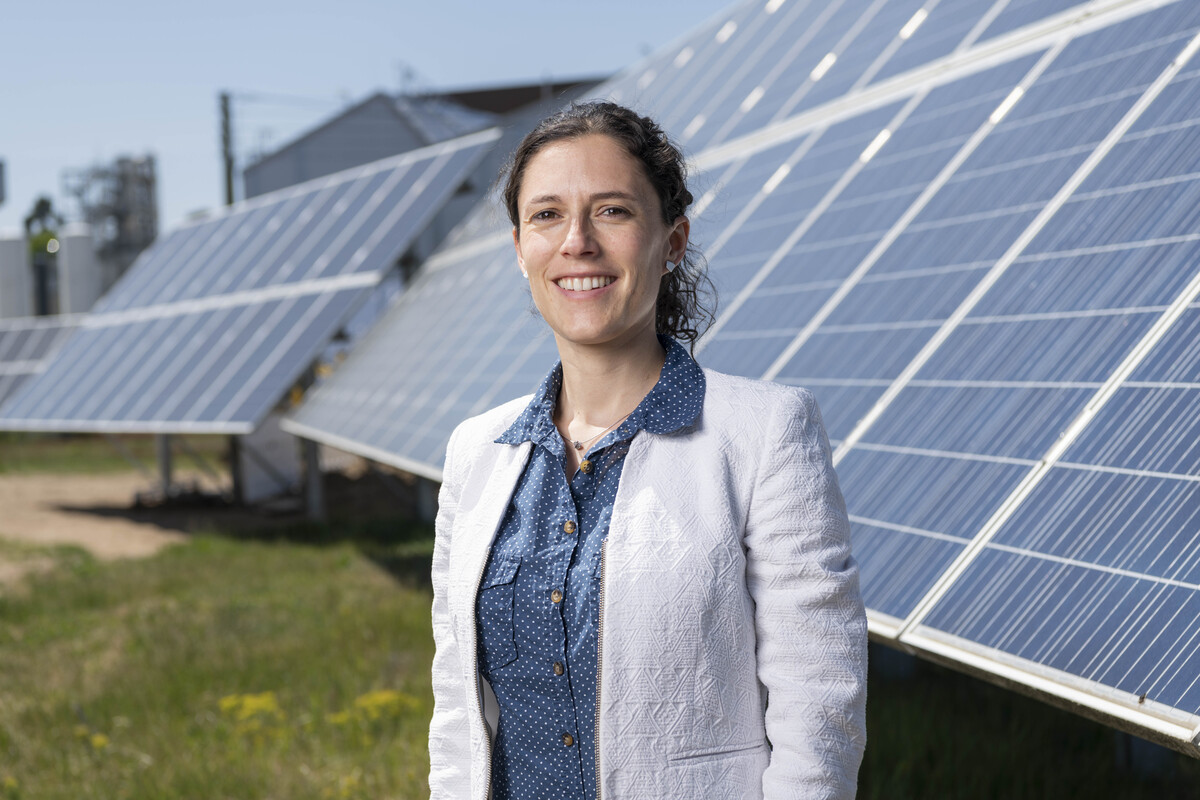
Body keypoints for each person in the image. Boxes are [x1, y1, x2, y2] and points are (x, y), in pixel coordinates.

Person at [429, 101, 867, 800]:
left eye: (612, 211)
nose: (577, 242)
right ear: (519, 248)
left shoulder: (765, 433)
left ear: (673, 240)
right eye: (547, 215)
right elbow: (456, 715)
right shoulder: (475, 452)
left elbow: (818, 705)